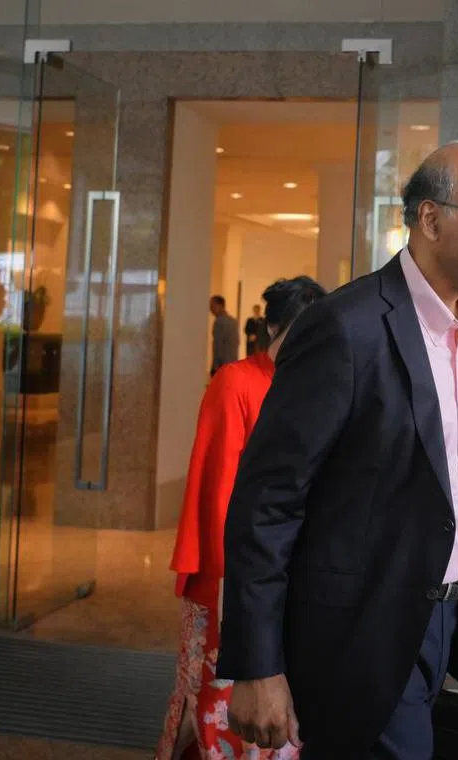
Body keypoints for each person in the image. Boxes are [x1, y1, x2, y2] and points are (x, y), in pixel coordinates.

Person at [217, 143, 458, 759]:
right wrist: (257, 665)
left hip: (441, 618)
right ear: (431, 219)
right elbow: (267, 500)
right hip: (357, 629)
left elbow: (453, 478)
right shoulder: (345, 327)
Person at [155, 276, 328, 760]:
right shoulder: (235, 381)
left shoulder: (311, 387)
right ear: (271, 327)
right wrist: (240, 585)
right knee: (220, 700)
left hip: (283, 574)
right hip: (231, 575)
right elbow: (220, 494)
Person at [209, 295, 239, 375]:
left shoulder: (219, 322)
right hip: (232, 362)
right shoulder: (233, 321)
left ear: (220, 305)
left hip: (222, 364)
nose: (210, 309)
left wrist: (215, 365)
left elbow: (218, 345)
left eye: (212, 306)